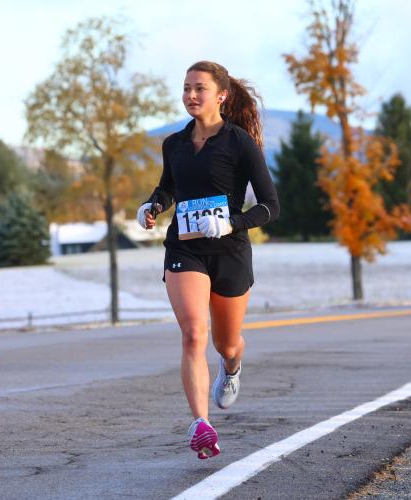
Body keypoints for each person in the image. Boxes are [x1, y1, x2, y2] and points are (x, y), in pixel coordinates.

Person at [136, 61, 279, 459]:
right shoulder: (174, 144)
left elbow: (270, 206)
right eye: (186, 88)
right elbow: (168, 189)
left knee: (225, 343)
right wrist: (152, 206)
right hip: (185, 249)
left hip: (230, 253)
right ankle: (201, 424)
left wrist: (232, 224)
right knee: (193, 334)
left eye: (199, 88)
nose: (191, 95)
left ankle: (231, 367)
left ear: (221, 96)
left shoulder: (239, 144)